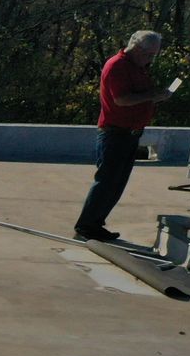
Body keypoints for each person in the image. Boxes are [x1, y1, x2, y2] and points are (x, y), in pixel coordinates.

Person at [74, 30, 174, 242]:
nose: (150, 59)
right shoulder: (117, 66)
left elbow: (139, 97)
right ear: (137, 48)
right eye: (149, 54)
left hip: (130, 133)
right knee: (106, 182)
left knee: (116, 184)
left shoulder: (138, 67)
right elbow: (121, 99)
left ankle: (95, 224)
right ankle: (85, 226)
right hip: (115, 132)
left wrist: (156, 96)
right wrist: (152, 95)